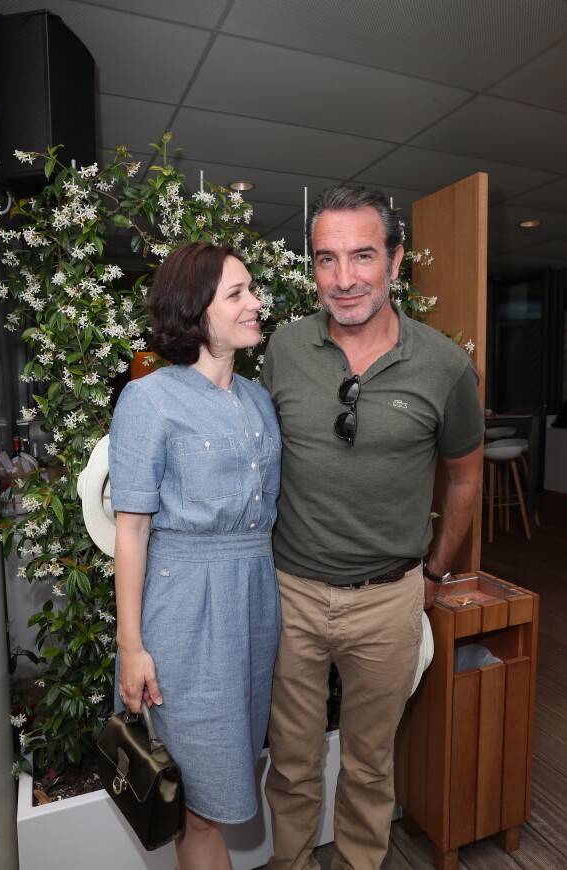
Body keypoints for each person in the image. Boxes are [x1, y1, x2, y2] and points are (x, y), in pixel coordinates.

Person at [261, 184, 484, 870]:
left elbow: (467, 476)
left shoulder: (445, 366)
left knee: (368, 766)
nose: (344, 278)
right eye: (326, 260)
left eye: (362, 256)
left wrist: (433, 574)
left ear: (395, 261)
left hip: (390, 600)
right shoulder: (282, 349)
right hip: (291, 595)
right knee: (293, 767)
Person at [108, 242, 281, 870]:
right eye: (236, 294)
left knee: (228, 779)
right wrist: (133, 647)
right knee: (198, 802)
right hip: (186, 613)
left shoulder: (260, 401)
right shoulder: (148, 399)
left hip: (254, 610)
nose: (255, 303)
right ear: (193, 310)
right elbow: (131, 531)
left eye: (251, 289)